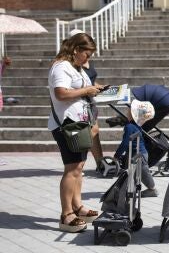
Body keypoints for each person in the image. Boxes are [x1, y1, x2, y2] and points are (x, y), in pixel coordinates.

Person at [48, 33, 104, 232]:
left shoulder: (75, 67)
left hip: (79, 124)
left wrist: (94, 88)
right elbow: (61, 93)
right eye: (86, 54)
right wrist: (87, 91)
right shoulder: (61, 67)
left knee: (78, 167)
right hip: (66, 125)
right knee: (71, 170)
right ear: (75, 50)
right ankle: (66, 214)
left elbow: (80, 89)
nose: (88, 59)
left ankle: (77, 207)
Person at [69, 29, 104, 173]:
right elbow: (72, 86)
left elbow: (89, 80)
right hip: (80, 103)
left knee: (95, 133)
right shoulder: (72, 63)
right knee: (92, 131)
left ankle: (100, 163)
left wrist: (99, 87)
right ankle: (77, 160)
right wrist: (88, 89)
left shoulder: (86, 58)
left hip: (89, 101)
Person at [113, 99, 158, 197]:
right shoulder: (135, 125)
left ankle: (152, 189)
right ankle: (129, 190)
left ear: (134, 114)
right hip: (139, 153)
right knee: (135, 173)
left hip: (139, 154)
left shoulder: (129, 126)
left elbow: (125, 143)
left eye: (129, 111)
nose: (127, 112)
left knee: (143, 173)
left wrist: (117, 155)